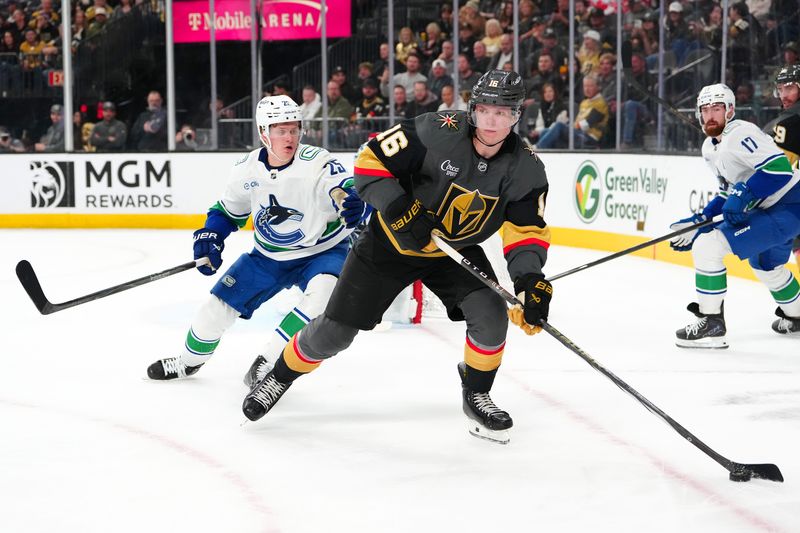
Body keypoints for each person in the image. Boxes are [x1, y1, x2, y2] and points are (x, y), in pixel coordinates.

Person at [241, 70, 553, 446]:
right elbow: (369, 162)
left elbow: (526, 230)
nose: (491, 120)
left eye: (502, 113)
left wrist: (530, 280)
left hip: (452, 253)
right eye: (485, 109)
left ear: (517, 115)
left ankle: (476, 393)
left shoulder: (527, 168)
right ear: (472, 109)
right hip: (387, 246)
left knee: (490, 311)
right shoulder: (437, 130)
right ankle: (279, 375)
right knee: (334, 333)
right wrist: (401, 208)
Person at [146, 96, 371, 381]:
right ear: (264, 133)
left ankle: (269, 361)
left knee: (322, 296)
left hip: (323, 251)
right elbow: (228, 212)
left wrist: (352, 202)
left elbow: (342, 188)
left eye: (294, 129)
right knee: (213, 310)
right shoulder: (246, 169)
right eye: (281, 130)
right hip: (268, 257)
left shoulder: (317, 161)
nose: (289, 137)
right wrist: (211, 236)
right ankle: (189, 361)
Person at [669, 83, 800, 347]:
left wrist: (744, 194)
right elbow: (727, 193)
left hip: (788, 206)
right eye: (705, 110)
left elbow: (780, 170)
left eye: (717, 108)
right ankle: (797, 316)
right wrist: (701, 220)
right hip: (778, 209)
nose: (710, 115)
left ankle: (712, 322)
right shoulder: (710, 147)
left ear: (729, 110)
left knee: (708, 246)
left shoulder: (740, 133)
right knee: (766, 265)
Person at [763, 65, 800, 268]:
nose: (783, 95)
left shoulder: (789, 121)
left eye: (789, 88)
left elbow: (777, 170)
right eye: (780, 89)